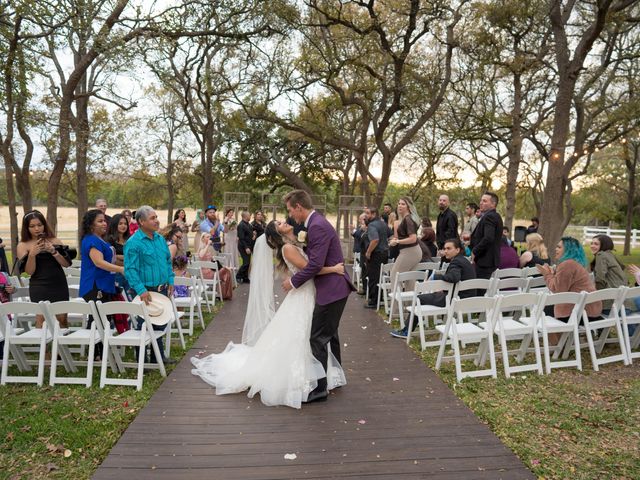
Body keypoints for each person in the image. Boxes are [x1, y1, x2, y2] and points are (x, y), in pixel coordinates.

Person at [191, 219, 347, 409]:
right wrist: (333, 269)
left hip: (308, 293)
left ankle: (318, 374)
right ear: (278, 234)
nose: (284, 222)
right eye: (279, 224)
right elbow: (310, 270)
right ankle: (305, 376)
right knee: (302, 335)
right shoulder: (288, 249)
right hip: (303, 296)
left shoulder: (296, 243)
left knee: (309, 335)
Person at [282, 189, 355, 403]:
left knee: (317, 337)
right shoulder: (315, 224)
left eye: (290, 210)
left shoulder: (317, 226)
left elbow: (314, 264)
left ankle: (320, 388)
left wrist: (293, 282)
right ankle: (336, 376)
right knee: (330, 334)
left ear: (298, 207)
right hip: (334, 286)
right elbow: (316, 254)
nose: (291, 215)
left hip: (332, 289)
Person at [391, 238, 476, 338]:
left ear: (457, 250)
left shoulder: (456, 262)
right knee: (433, 295)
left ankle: (406, 331)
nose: (445, 251)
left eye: (449, 248)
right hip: (467, 298)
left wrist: (436, 276)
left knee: (419, 298)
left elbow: (454, 277)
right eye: (445, 249)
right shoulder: (464, 260)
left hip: (455, 299)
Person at [124, 206, 176, 364]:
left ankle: (157, 357)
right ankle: (142, 361)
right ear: (141, 221)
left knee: (160, 323)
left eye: (156, 217)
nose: (157, 221)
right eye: (152, 218)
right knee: (144, 326)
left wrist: (171, 280)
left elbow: (167, 261)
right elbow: (130, 269)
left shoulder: (160, 239)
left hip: (162, 288)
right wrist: (141, 290)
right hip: (145, 290)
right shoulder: (134, 243)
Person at [79, 209, 125, 357]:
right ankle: (95, 353)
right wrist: (121, 269)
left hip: (106, 284)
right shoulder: (91, 240)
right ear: (91, 225)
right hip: (95, 285)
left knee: (104, 318)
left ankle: (101, 351)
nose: (104, 223)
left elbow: (110, 259)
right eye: (100, 221)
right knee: (97, 320)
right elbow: (98, 262)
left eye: (105, 220)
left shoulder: (100, 240)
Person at [16, 210, 71, 328]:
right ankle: (42, 346)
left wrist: (53, 251)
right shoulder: (23, 245)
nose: (37, 229)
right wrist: (32, 254)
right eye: (32, 226)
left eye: (39, 225)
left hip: (58, 283)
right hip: (39, 285)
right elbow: (29, 272)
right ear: (26, 228)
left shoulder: (55, 240)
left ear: (44, 225)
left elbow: (66, 264)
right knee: (41, 319)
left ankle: (60, 345)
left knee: (62, 319)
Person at [537, 237, 602, 331]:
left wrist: (547, 274)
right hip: (589, 310)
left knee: (541, 310)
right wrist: (552, 274)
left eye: (559, 247)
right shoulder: (575, 263)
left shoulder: (567, 264)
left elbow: (558, 290)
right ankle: (564, 342)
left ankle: (559, 344)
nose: (556, 249)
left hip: (579, 312)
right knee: (546, 308)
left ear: (568, 250)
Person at [389, 196, 422, 292]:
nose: (400, 206)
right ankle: (409, 306)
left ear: (408, 206)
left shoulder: (408, 219)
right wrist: (395, 241)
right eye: (399, 203)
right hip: (413, 251)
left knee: (394, 276)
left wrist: (398, 241)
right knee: (410, 280)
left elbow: (413, 238)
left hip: (410, 252)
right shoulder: (407, 218)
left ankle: (395, 307)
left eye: (403, 204)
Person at [590, 234, 629, 311]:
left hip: (611, 305)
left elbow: (600, 279)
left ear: (604, 245)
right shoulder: (610, 254)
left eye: (596, 244)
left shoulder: (601, 255)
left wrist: (596, 297)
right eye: (591, 243)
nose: (592, 246)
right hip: (625, 303)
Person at [470, 192, 503, 279]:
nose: (481, 203)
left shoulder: (490, 217)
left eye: (484, 201)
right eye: (481, 200)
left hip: (485, 261)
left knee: (480, 290)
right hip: (489, 260)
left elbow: (488, 238)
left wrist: (475, 251)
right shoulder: (495, 216)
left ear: (493, 204)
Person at [363, 206, 389, 309]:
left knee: (374, 277)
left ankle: (373, 302)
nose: (366, 216)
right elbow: (390, 235)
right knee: (380, 277)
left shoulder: (372, 225)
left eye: (368, 213)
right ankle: (380, 298)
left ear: (373, 214)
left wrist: (368, 252)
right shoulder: (383, 223)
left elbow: (375, 240)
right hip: (385, 253)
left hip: (376, 254)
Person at [107, 213, 131, 296]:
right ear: (114, 224)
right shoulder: (109, 239)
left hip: (130, 273)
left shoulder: (130, 239)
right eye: (120, 224)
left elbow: (134, 257)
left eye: (125, 224)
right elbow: (111, 258)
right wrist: (124, 257)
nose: (123, 226)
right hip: (116, 274)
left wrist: (119, 257)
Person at [236, 211, 254, 284]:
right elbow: (241, 238)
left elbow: (249, 235)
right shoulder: (241, 225)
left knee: (248, 262)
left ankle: (245, 278)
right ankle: (238, 276)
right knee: (246, 262)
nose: (250, 217)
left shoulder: (249, 225)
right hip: (243, 246)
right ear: (245, 216)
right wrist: (246, 247)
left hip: (249, 245)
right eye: (249, 215)